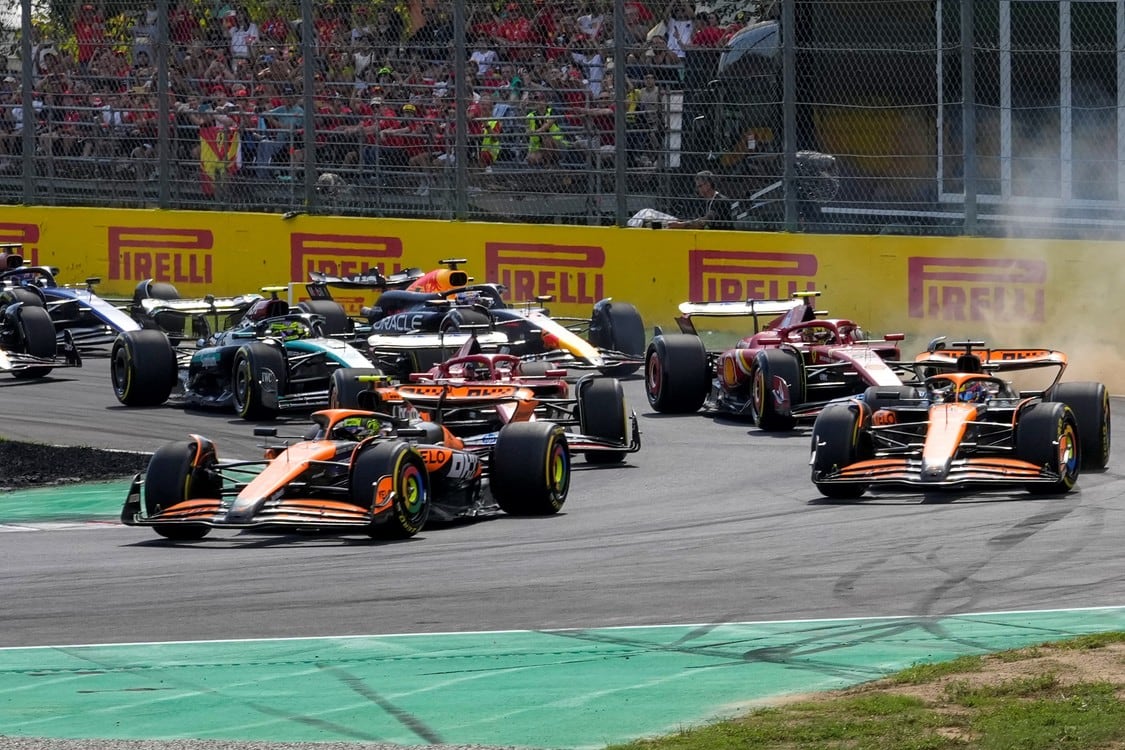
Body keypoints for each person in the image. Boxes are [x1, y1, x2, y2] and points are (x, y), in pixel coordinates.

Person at [668, 171, 733, 229]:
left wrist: (682, 225)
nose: (697, 190)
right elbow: (696, 219)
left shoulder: (720, 201)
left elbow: (704, 221)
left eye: (699, 186)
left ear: (708, 184)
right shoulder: (703, 201)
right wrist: (682, 221)